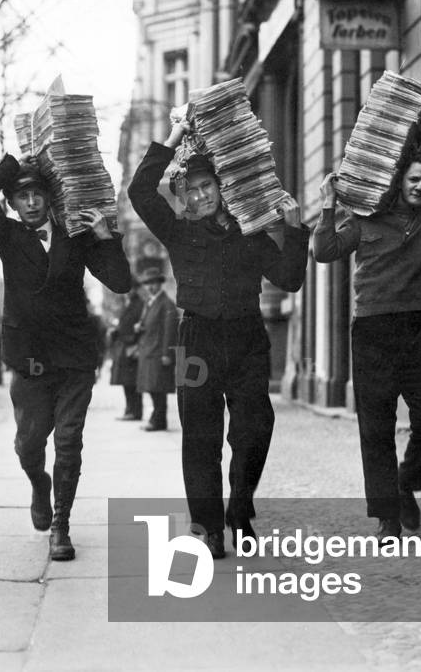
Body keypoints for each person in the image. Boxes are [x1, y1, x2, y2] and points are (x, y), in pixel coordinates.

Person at [128, 122, 310, 559]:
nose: (198, 197)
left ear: (221, 187)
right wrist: (171, 140)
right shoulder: (177, 231)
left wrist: (296, 230)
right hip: (197, 342)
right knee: (201, 437)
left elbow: (289, 278)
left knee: (253, 430)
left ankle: (240, 508)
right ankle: (209, 527)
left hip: (247, 338)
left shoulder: (250, 233)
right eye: (188, 191)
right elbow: (139, 191)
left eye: (205, 186)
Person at [313, 130, 421, 543]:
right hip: (373, 331)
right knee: (376, 429)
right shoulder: (366, 219)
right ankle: (387, 519)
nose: (420, 186)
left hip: (420, 332)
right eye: (413, 179)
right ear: (399, 180)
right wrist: (326, 206)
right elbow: (324, 251)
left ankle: (406, 481)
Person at [0, 155, 131, 561]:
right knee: (29, 446)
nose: (30, 203)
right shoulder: (5, 235)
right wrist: (16, 162)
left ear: (50, 198)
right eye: (21, 196)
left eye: (37, 194)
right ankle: (40, 486)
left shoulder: (74, 236)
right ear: (12, 203)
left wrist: (104, 237)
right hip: (30, 361)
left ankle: (61, 525)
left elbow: (120, 281)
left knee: (68, 443)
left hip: (74, 358)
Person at [134, 263, 178, 432]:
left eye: (153, 283)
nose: (150, 286)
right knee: (152, 388)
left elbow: (169, 330)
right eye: (148, 283)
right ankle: (156, 419)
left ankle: (159, 421)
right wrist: (140, 326)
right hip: (149, 352)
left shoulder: (166, 303)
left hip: (158, 352)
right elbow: (149, 323)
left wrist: (167, 353)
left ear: (160, 283)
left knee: (158, 389)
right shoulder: (150, 303)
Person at [109, 286, 143, 421]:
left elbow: (140, 327)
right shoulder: (127, 304)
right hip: (124, 346)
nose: (127, 292)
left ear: (135, 290)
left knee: (132, 382)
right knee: (126, 381)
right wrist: (116, 331)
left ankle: (135, 412)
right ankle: (129, 410)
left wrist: (135, 343)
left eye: (130, 289)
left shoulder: (139, 304)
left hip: (132, 347)